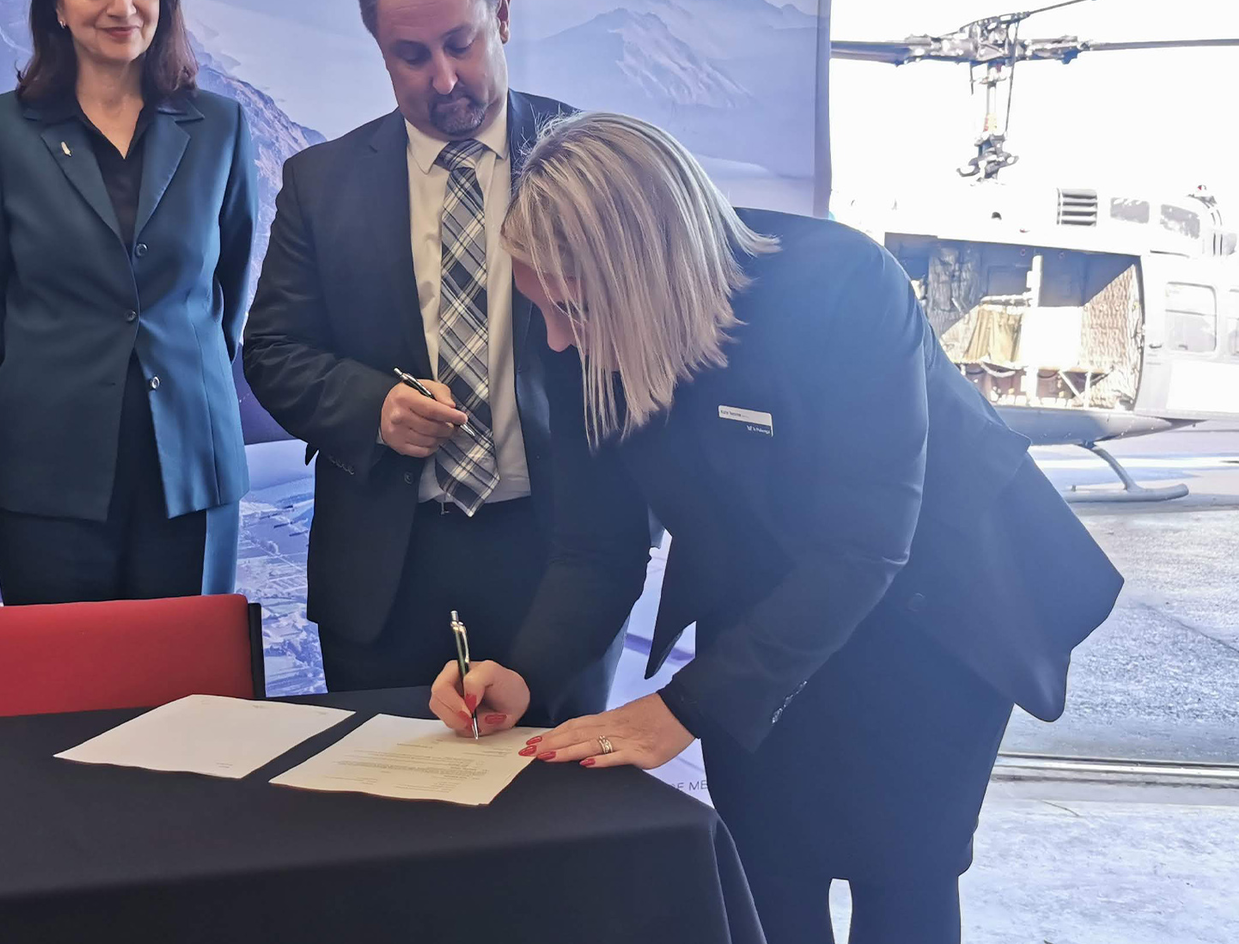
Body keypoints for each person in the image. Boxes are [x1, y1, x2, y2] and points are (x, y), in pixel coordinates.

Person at [427, 113, 1124, 943]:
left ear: (652, 275)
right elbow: (597, 546)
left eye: (572, 309)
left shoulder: (843, 287)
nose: (556, 338)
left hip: (935, 608)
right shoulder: (570, 326)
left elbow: (866, 544)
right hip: (760, 596)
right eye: (542, 308)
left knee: (901, 871)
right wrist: (526, 676)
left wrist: (684, 707)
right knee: (764, 859)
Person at [242, 0, 620, 709]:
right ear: (379, 49)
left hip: (560, 559)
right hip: (386, 569)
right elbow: (272, 350)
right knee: (387, 818)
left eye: (462, 43)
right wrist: (370, 406)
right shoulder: (322, 182)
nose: (444, 79)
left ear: (503, 16)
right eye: (410, 57)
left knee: (558, 820)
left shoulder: (589, 163)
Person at [0, 0, 257, 603]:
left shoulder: (220, 126)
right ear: (57, 4)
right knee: (62, 693)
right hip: (48, 464)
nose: (123, 5)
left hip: (192, 463)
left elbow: (226, 291)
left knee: (191, 692)